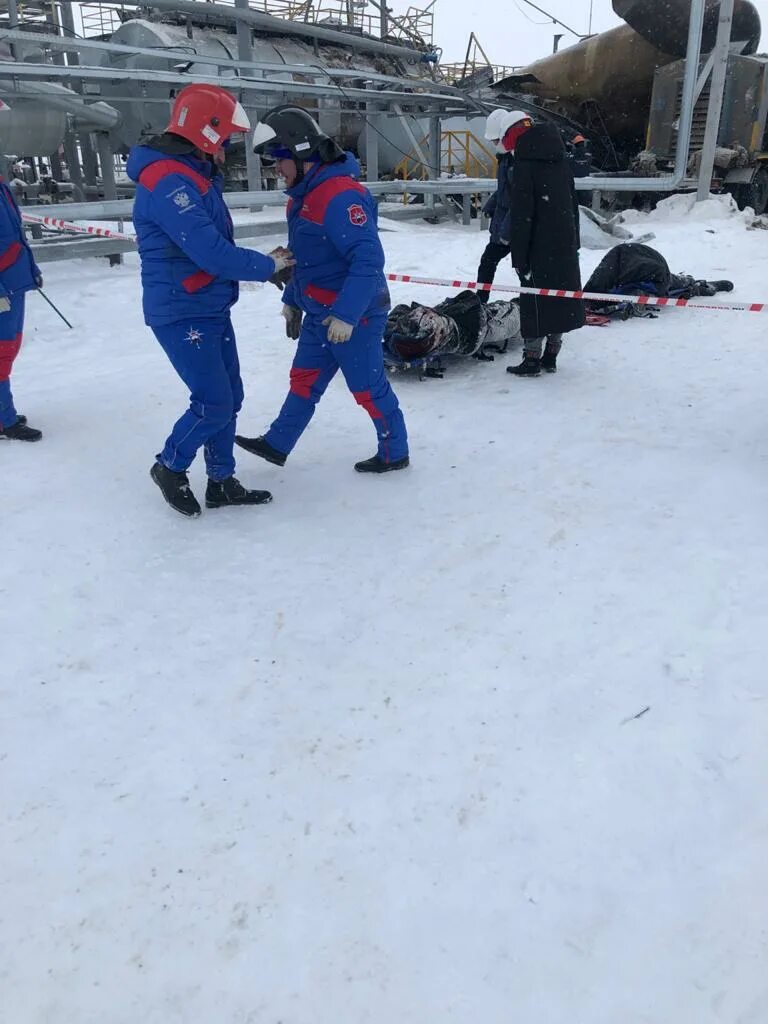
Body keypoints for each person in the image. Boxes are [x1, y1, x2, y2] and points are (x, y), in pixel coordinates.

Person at [126, 84, 294, 518]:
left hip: (206, 304)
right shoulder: (168, 180)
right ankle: (170, 466)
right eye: (226, 138)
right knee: (214, 400)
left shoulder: (191, 173)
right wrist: (267, 267)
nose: (228, 147)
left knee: (229, 395)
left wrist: (262, 265)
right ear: (205, 132)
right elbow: (210, 252)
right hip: (181, 311)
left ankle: (221, 481)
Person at [235, 105, 409, 474]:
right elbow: (305, 257)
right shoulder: (303, 197)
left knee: (367, 388)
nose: (275, 170)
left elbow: (367, 262)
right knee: (304, 379)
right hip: (318, 312)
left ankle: (396, 451)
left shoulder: (341, 197)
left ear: (301, 155)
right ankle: (277, 443)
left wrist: (346, 315)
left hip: (355, 316)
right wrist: (291, 300)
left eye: (278, 161)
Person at [505, 115, 585, 376]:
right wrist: (574, 242)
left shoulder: (525, 166)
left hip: (538, 247)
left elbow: (522, 217)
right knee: (560, 297)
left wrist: (519, 257)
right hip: (563, 242)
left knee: (534, 302)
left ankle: (531, 360)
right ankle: (551, 355)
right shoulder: (559, 159)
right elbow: (573, 205)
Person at [0, 165, 44, 442]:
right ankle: (5, 421)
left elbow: (15, 236)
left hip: (15, 282)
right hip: (3, 287)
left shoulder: (2, 186)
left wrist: (30, 269)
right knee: (1, 352)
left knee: (10, 348)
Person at [476, 109, 529, 304]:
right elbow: (505, 189)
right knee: (489, 260)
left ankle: (530, 307)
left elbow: (520, 200)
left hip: (515, 226)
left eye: (495, 141)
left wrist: (507, 233)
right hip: (506, 223)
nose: (494, 146)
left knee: (524, 269)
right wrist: (491, 203)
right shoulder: (506, 160)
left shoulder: (518, 162)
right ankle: (480, 300)